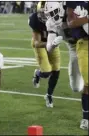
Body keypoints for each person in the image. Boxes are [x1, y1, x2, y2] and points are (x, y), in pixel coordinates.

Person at [28, 1, 60, 108]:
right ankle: (37, 73)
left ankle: (49, 95)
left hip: (52, 43)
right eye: (42, 12)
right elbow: (37, 43)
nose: (44, 15)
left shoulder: (58, 17)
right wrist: (51, 43)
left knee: (56, 70)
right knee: (46, 72)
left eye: (47, 12)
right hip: (41, 44)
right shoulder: (35, 20)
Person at [66, 1, 88, 130]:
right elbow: (71, 22)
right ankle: (86, 118)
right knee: (88, 82)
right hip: (84, 44)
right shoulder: (74, 2)